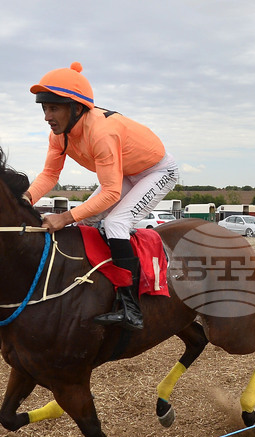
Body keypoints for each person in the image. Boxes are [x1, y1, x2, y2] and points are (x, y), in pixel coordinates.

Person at [25, 62, 180, 330]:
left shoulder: (101, 132)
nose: (47, 117)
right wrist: (25, 199)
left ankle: (132, 309)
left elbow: (110, 193)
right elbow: (50, 175)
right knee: (83, 224)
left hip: (157, 171)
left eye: (53, 108)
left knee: (115, 224)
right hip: (127, 172)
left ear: (75, 108)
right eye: (44, 108)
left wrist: (64, 216)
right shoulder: (59, 135)